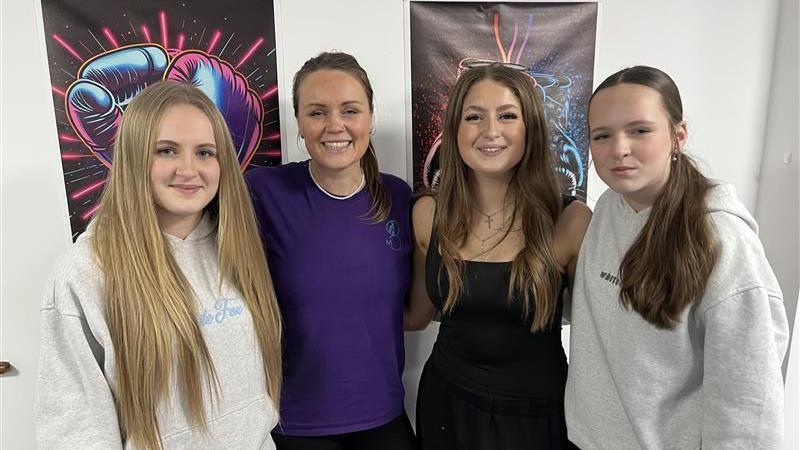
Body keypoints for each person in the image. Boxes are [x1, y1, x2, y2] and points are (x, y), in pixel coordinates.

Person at [35, 81, 283, 449]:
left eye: (204, 152)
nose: (189, 169)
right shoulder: (86, 273)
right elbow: (75, 431)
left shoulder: (239, 249)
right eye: (166, 150)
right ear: (135, 157)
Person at [565, 66, 789, 449]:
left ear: (677, 135)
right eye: (602, 135)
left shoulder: (722, 239)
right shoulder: (606, 208)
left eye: (639, 130)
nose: (619, 149)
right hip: (584, 440)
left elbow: (749, 402)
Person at [404, 63, 591, 449]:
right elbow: (417, 316)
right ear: (455, 130)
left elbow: (604, 338)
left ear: (531, 129)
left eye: (507, 115)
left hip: (536, 421)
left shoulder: (571, 221)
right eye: (474, 117)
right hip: (446, 409)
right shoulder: (427, 215)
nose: (491, 131)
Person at [245, 52, 416, 450]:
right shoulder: (263, 192)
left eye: (350, 110)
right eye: (317, 112)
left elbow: (415, 312)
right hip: (297, 425)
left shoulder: (398, 197)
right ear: (299, 124)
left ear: (370, 119)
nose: (334, 126)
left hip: (385, 416)